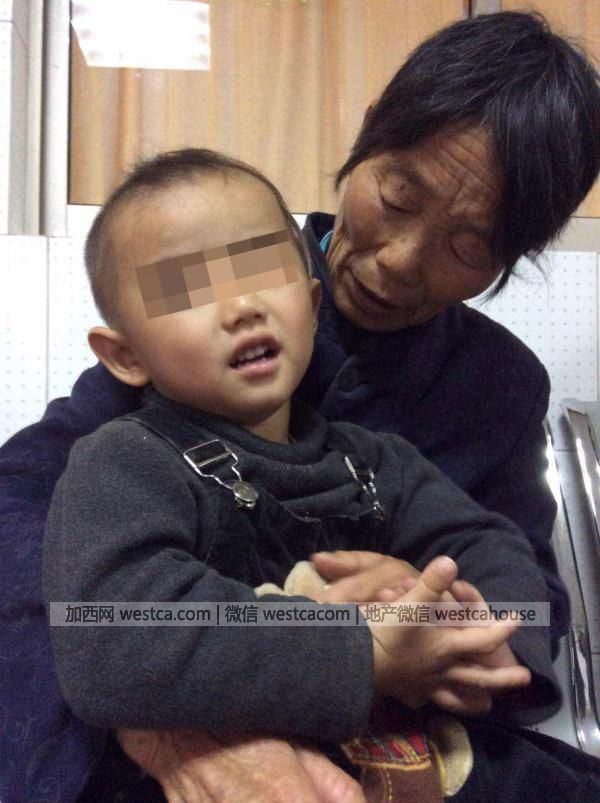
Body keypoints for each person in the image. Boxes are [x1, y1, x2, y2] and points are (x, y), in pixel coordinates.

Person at [0, 9, 598, 803]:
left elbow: (526, 599)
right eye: (398, 196)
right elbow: (24, 516)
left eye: (467, 246)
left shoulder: (497, 386)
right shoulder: (200, 318)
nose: (399, 261)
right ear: (368, 136)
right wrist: (168, 725)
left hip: (409, 733)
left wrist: (454, 616)